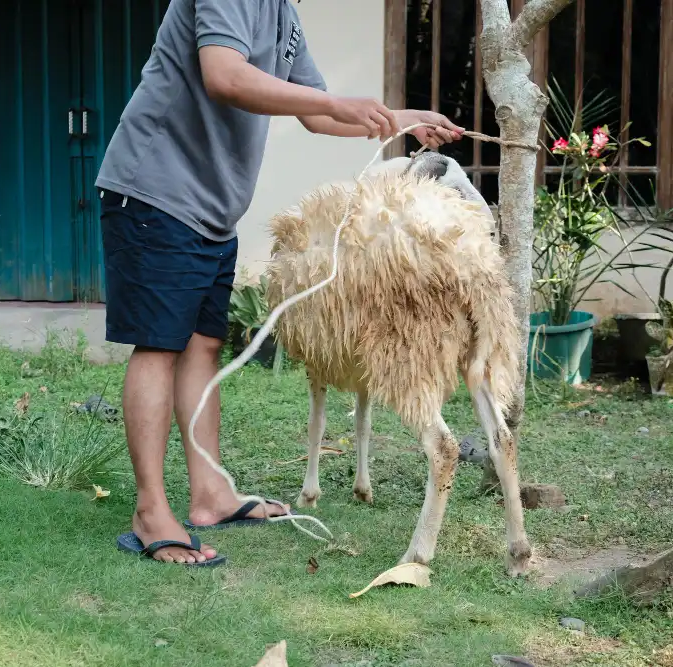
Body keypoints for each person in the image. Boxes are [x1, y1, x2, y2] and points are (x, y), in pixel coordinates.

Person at [97, 0, 465, 566]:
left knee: (202, 346)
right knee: (159, 347)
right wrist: (335, 100)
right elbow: (224, 74)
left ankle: (210, 493)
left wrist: (404, 117)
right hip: (156, 192)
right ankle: (151, 511)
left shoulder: (281, 11)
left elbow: (319, 115)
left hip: (209, 209)